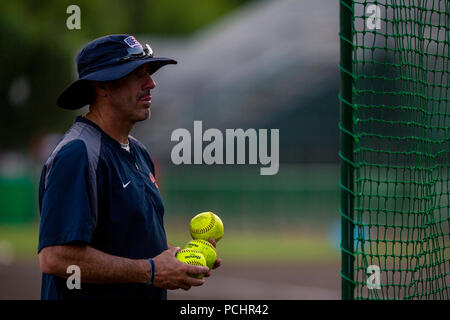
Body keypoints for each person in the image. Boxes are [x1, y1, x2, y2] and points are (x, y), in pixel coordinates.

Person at [37, 34, 220, 300]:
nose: (152, 84)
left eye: (149, 73)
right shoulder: (78, 153)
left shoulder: (139, 152)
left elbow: (128, 241)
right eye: (137, 74)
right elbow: (55, 257)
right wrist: (151, 271)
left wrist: (177, 260)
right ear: (102, 85)